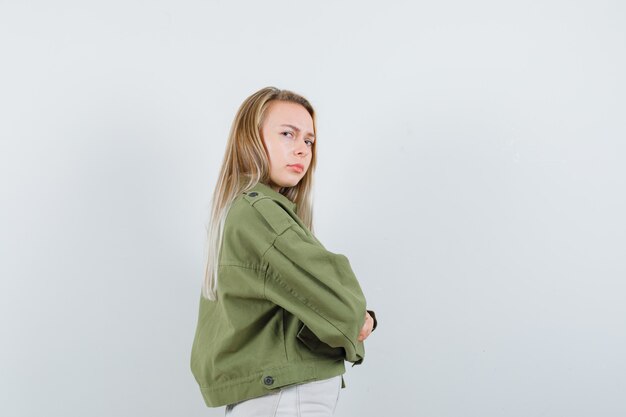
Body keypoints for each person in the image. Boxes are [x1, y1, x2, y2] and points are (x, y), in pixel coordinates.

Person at [190, 86, 378, 416]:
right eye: (288, 134)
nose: (302, 150)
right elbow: (342, 307)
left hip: (277, 395)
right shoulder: (260, 211)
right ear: (250, 139)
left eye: (308, 140)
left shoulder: (245, 211)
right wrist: (360, 319)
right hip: (287, 396)